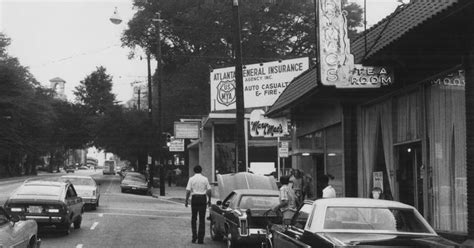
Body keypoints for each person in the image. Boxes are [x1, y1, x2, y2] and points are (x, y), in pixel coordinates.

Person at [185, 165, 211, 244]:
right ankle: (200, 239)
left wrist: (186, 200)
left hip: (195, 199)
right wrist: (209, 199)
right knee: (202, 219)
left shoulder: (191, 179)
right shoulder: (205, 179)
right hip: (203, 198)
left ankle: (194, 237)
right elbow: (209, 190)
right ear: (201, 170)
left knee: (194, 218)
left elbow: (188, 191)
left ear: (194, 171)